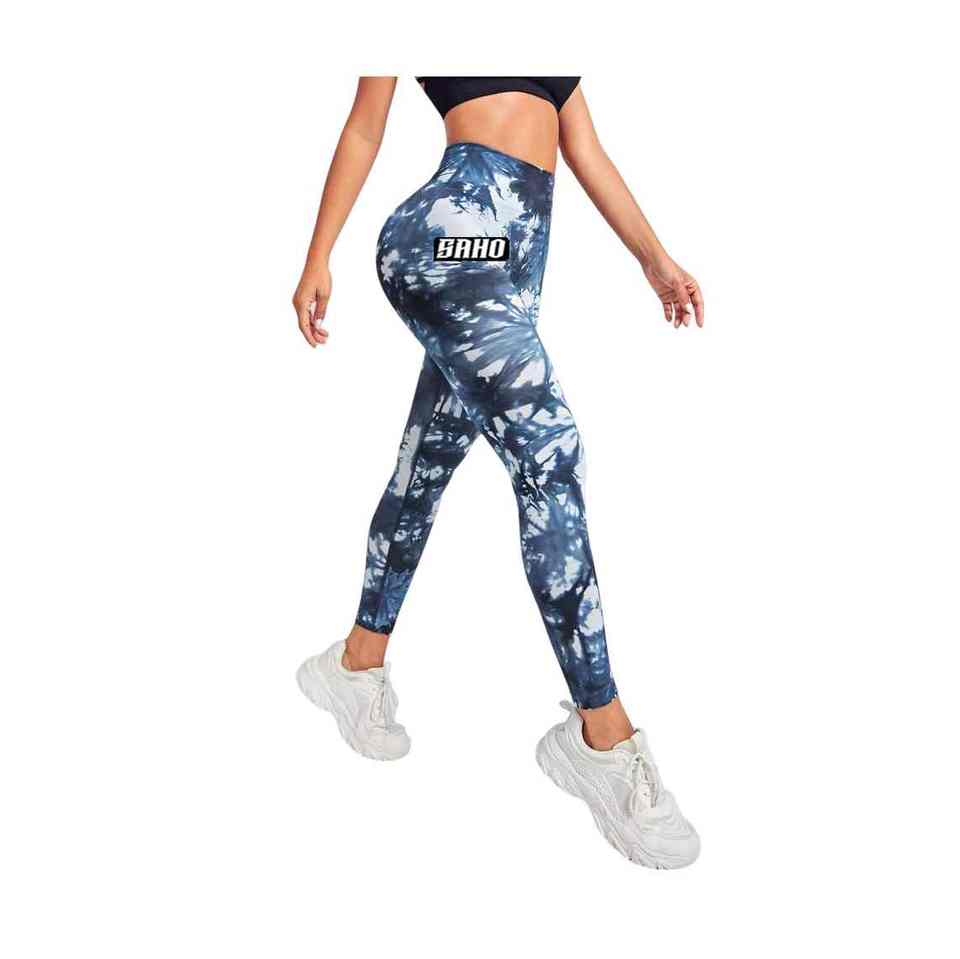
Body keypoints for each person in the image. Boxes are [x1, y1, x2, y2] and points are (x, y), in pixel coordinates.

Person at [293, 77, 704, 868]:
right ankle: (602, 733)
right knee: (550, 452)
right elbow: (365, 128)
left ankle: (355, 663)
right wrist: (318, 257)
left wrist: (655, 259)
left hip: (515, 258)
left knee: (427, 465)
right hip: (453, 241)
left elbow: (584, 148)